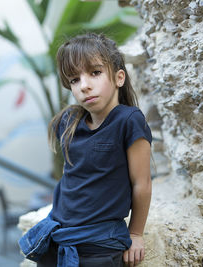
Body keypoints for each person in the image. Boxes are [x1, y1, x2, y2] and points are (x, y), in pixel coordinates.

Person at [19, 32, 152, 267]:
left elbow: (142, 183)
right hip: (57, 236)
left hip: (99, 244)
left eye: (95, 73)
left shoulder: (128, 120)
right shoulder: (69, 121)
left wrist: (136, 234)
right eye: (74, 80)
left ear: (119, 77)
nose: (84, 86)